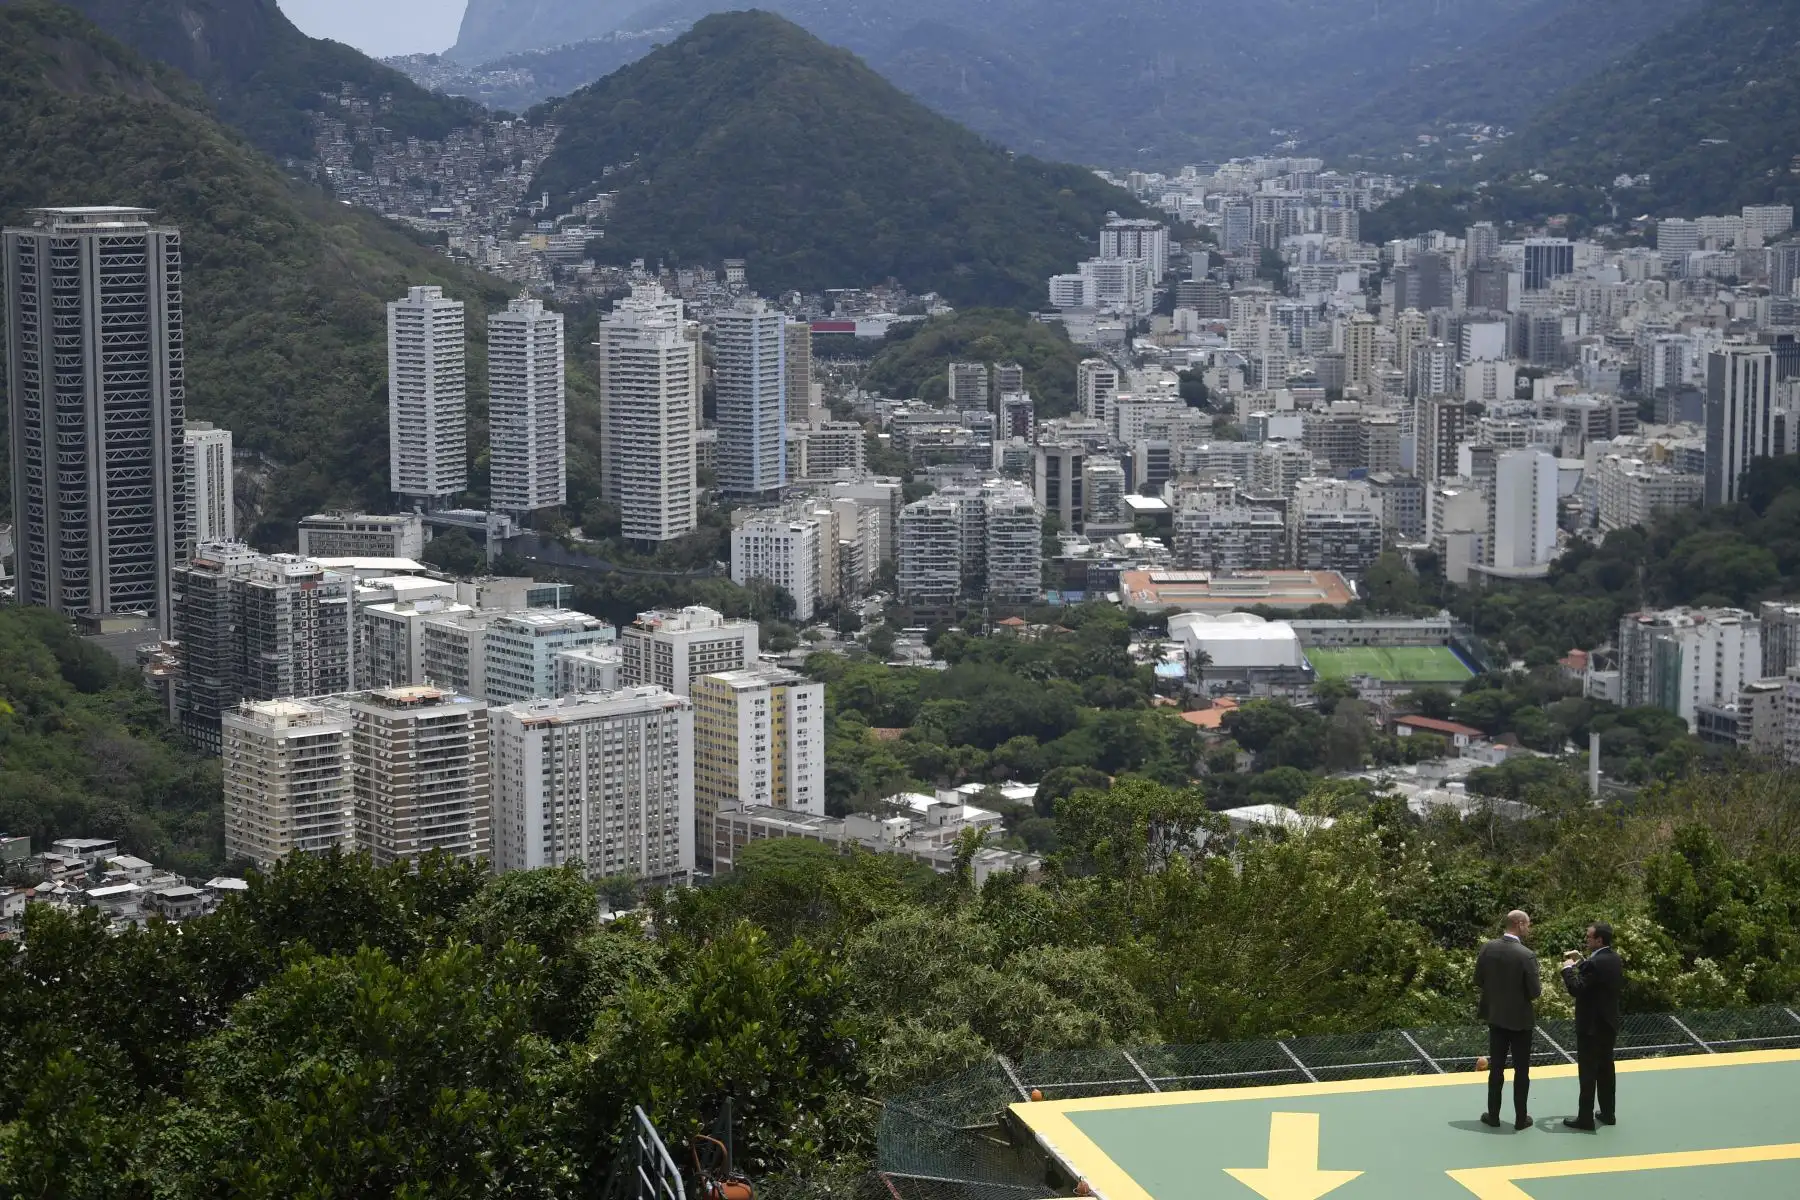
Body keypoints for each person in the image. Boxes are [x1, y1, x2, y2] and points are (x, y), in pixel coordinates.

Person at [1474, 909, 1541, 1130]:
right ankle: (1521, 1118)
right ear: (1519, 924)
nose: (1528, 928)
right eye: (1527, 924)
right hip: (1521, 1021)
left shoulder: (1487, 948)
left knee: (1496, 1069)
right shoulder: (1526, 955)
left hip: (1496, 1017)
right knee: (1522, 1071)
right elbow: (1534, 992)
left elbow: (1478, 979)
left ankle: (1493, 1115)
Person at [1561, 921, 1624, 1131]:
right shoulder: (1614, 958)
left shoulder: (1596, 963)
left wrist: (1567, 969)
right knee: (1606, 1069)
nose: (1586, 940)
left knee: (1588, 1072)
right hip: (1608, 1023)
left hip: (1590, 1027)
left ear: (1599, 940)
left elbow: (1577, 988)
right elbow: (1594, 976)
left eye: (1589, 937)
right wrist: (1581, 961)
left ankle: (1585, 1118)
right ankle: (1608, 1113)